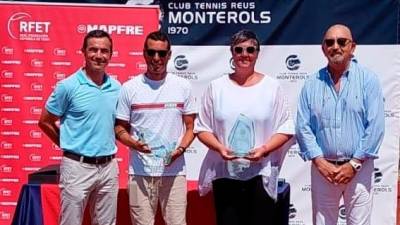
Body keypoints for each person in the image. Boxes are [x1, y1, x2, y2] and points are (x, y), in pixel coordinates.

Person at [194, 30, 294, 225]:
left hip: (260, 174)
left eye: (250, 49)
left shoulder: (272, 87)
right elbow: (202, 127)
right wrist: (220, 148)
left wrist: (264, 149)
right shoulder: (216, 87)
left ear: (257, 53)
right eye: (239, 49)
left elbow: (286, 127)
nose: (244, 54)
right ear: (232, 52)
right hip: (225, 173)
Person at [296, 24, 385, 225]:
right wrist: (320, 162)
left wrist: (354, 164)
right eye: (330, 42)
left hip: (359, 169)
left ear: (352, 47)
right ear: (323, 48)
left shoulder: (368, 80)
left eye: (341, 42)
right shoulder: (311, 83)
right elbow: (303, 126)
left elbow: (376, 127)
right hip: (323, 170)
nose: (335, 46)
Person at [38, 30, 121, 225]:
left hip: (109, 167)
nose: (99, 55)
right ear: (83, 51)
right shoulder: (68, 86)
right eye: (93, 49)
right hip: (77, 167)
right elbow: (45, 121)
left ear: (111, 54)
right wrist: (68, 145)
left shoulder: (117, 87)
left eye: (104, 51)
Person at [114, 30, 196, 225]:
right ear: (144, 54)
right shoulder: (129, 88)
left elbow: (191, 127)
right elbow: (119, 129)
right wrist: (134, 144)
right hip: (139, 173)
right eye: (151, 53)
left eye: (161, 53)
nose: (156, 58)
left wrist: (180, 150)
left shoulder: (183, 86)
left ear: (169, 55)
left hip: (174, 173)